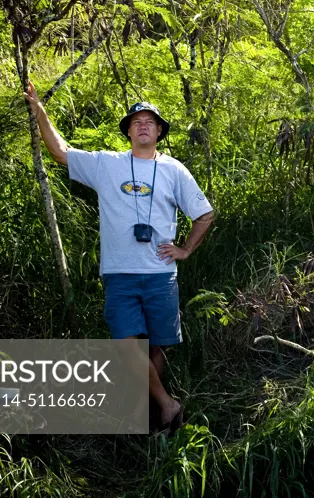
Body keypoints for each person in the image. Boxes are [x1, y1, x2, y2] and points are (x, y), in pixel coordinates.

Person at [23, 82, 214, 432]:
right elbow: (61, 152)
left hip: (160, 274)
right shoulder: (106, 165)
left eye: (150, 121)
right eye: (136, 121)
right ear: (128, 130)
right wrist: (40, 112)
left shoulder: (174, 170)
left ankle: (151, 418)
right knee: (127, 346)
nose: (143, 125)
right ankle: (168, 405)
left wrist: (185, 249)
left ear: (159, 131)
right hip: (119, 274)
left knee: (157, 348)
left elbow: (205, 214)